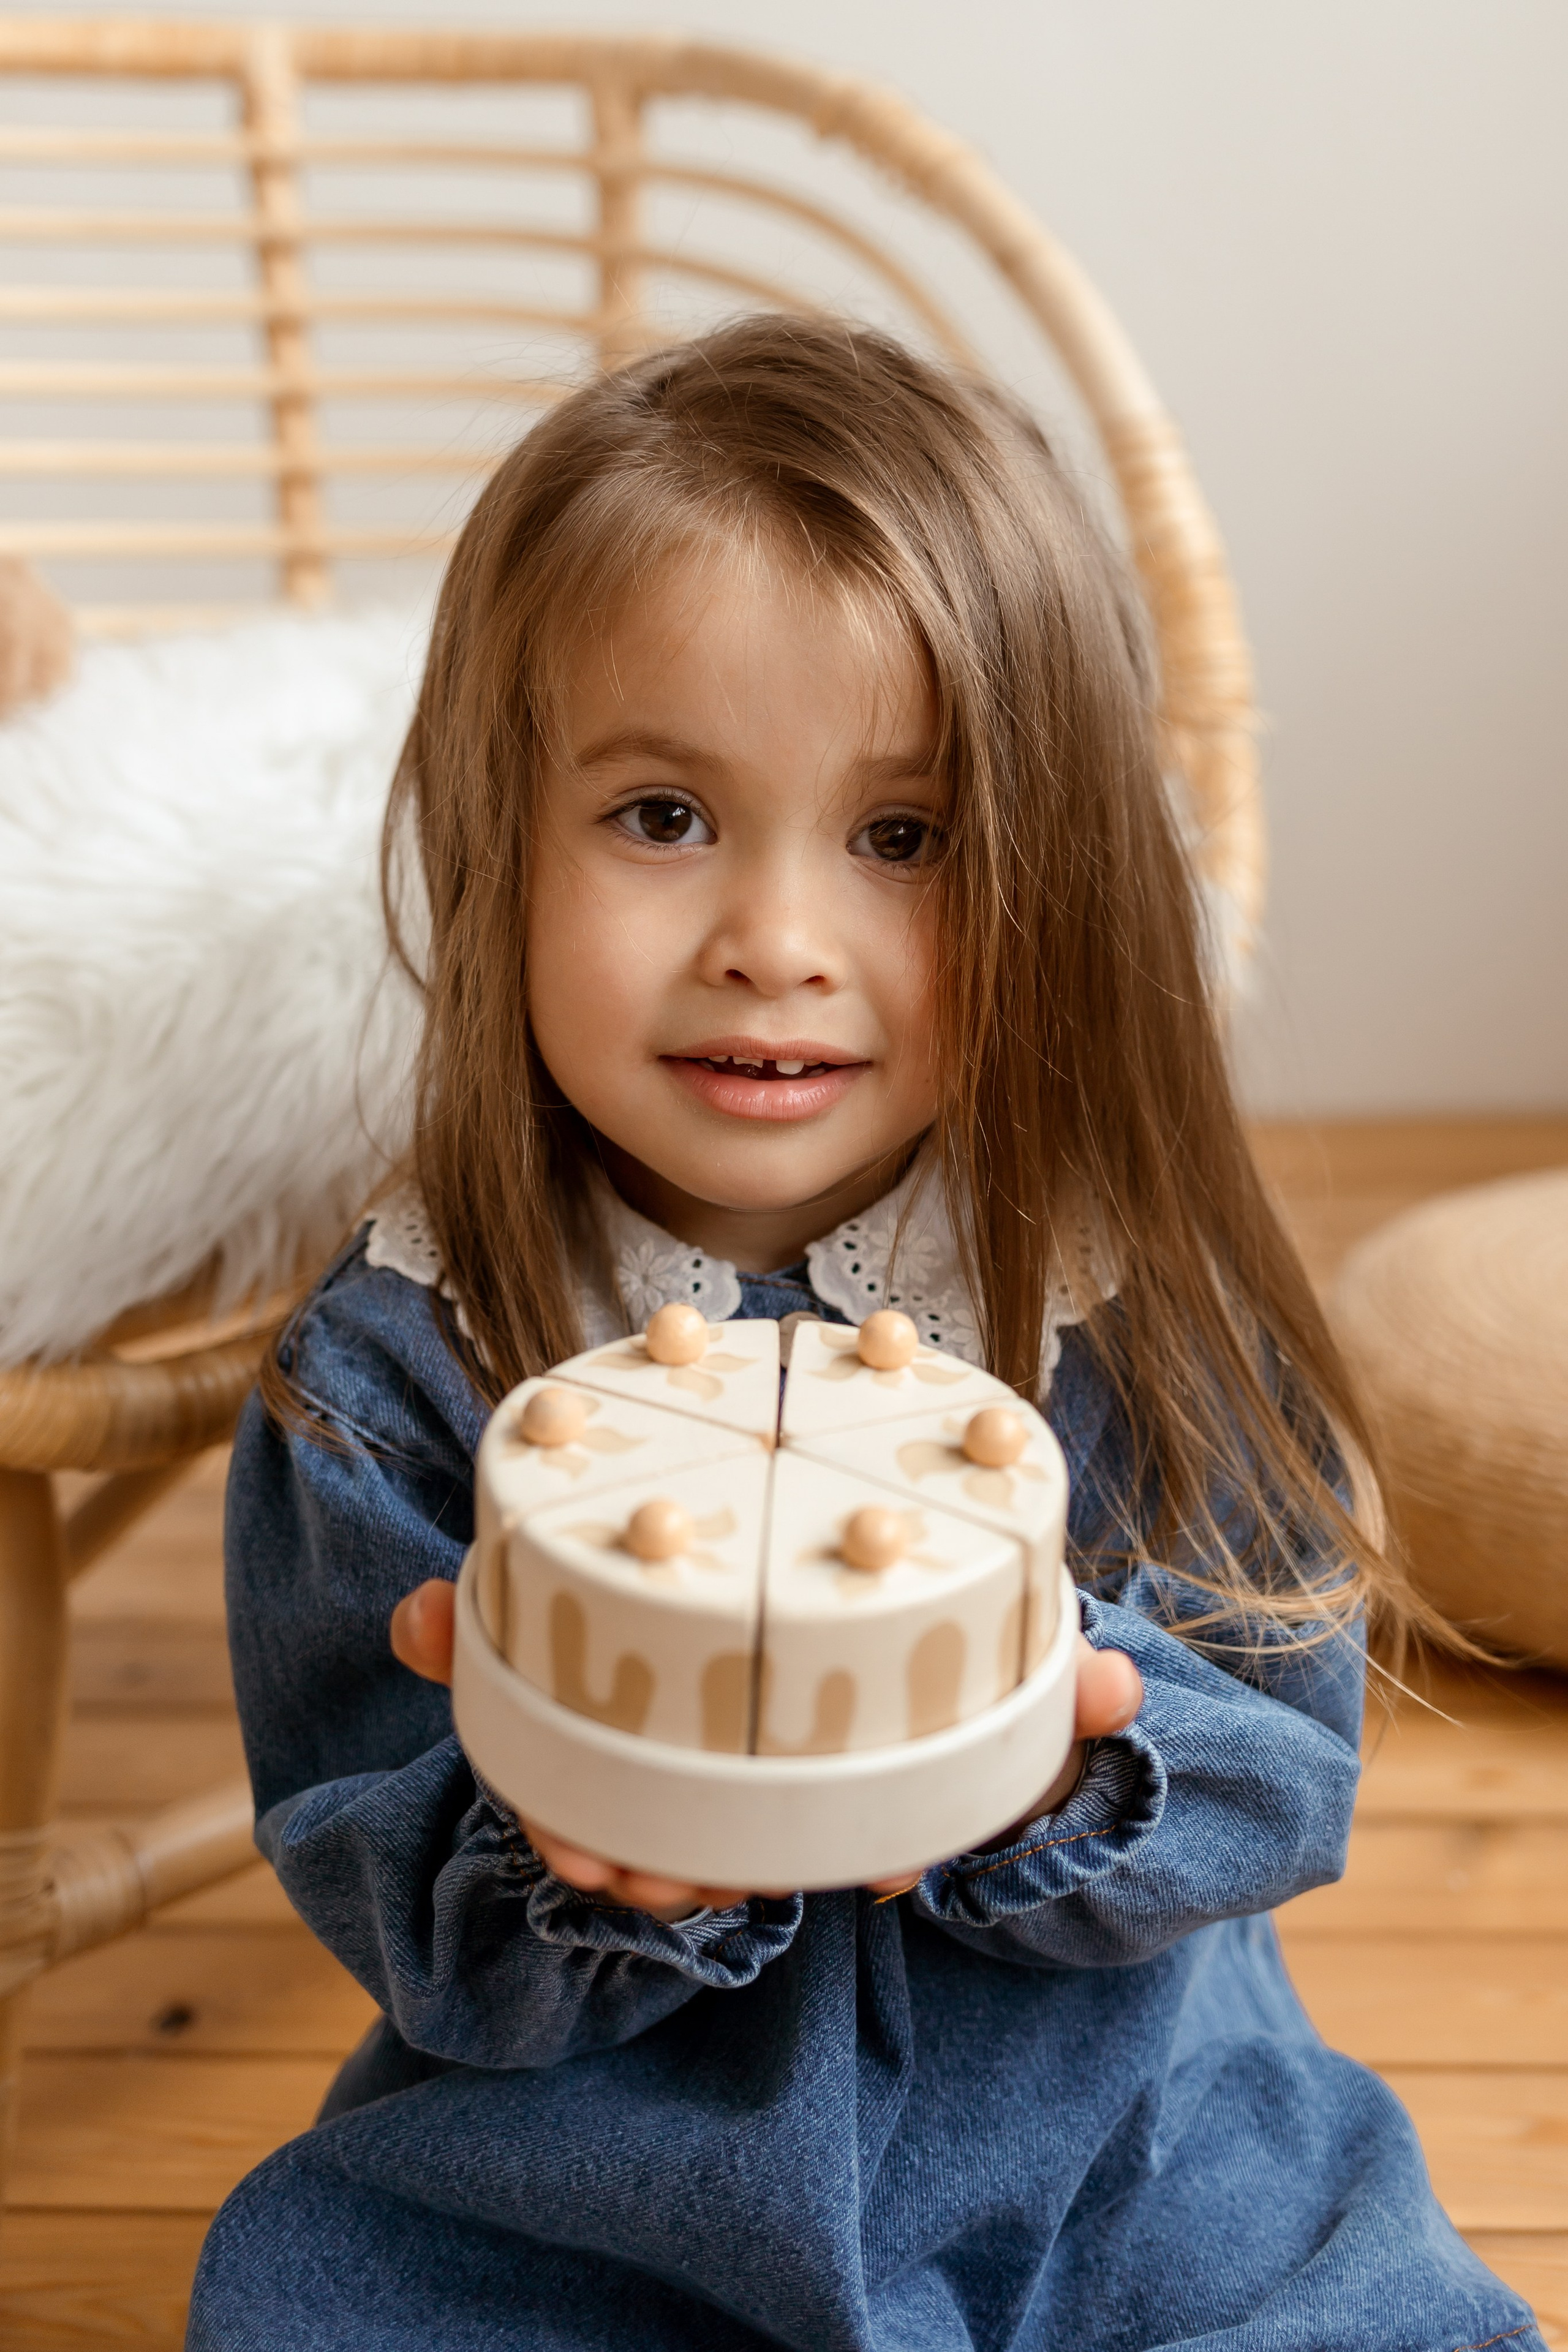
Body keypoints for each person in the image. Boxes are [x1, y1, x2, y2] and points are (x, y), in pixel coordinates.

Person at [188, 317, 1538, 2351]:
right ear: (494, 838)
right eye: (661, 817)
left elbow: (1282, 1762)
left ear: (1052, 878)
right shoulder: (399, 1372)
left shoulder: (1126, 1315)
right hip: (590, 2182)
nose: (777, 939)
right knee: (313, 2299)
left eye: (900, 839)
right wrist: (545, 1850)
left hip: (1132, 2156)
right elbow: (384, 1878)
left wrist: (1057, 1761)